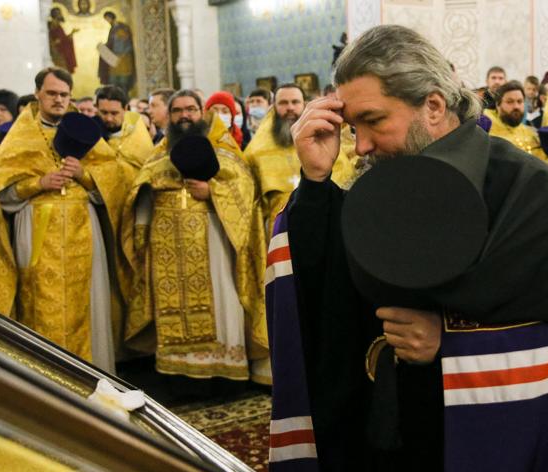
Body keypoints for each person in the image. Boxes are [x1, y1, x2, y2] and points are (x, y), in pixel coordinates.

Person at [268, 24, 548, 472]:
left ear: (433, 107)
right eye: (353, 128)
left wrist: (454, 343)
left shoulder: (530, 193)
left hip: (488, 457)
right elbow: (325, 284)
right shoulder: (383, 185)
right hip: (388, 451)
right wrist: (316, 182)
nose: (361, 146)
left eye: (374, 122)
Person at [0, 67, 129, 372]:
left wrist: (84, 175)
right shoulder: (21, 135)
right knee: (38, 301)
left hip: (83, 231)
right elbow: (1, 192)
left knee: (87, 303)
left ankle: (91, 376)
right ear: (38, 93)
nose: (58, 99)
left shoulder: (86, 132)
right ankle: (44, 379)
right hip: (36, 230)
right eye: (51, 93)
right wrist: (38, 183)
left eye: (64, 94)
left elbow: (113, 186)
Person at [122, 89, 270, 384]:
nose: (184, 116)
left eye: (190, 109)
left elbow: (244, 189)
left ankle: (223, 376)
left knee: (222, 302)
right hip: (167, 249)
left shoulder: (224, 148)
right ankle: (180, 377)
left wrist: (213, 191)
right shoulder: (159, 153)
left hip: (216, 242)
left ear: (202, 112)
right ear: (169, 116)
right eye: (177, 111)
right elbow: (140, 190)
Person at [244, 83, 355, 239]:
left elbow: (344, 182)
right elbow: (251, 207)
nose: (290, 107)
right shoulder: (256, 152)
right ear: (273, 108)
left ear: (304, 105)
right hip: (279, 235)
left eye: (295, 102)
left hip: (326, 226)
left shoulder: (326, 143)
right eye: (283, 103)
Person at [95, 83, 154, 357]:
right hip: (102, 223)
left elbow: (146, 175)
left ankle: (138, 347)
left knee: (133, 280)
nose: (108, 118)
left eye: (114, 113)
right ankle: (112, 349)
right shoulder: (92, 139)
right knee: (106, 286)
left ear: (125, 110)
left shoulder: (139, 140)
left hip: (132, 221)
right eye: (103, 112)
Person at [485, 80, 548, 165]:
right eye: (510, 102)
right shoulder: (487, 133)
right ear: (498, 105)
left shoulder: (530, 133)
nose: (516, 106)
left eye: (519, 101)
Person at [98, 11, 136, 94]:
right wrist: (103, 47)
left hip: (123, 58)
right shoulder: (113, 28)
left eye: (107, 19)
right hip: (114, 57)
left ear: (111, 17)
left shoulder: (122, 28)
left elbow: (127, 44)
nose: (107, 21)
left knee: (123, 81)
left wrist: (122, 54)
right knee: (113, 80)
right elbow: (111, 43)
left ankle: (124, 96)